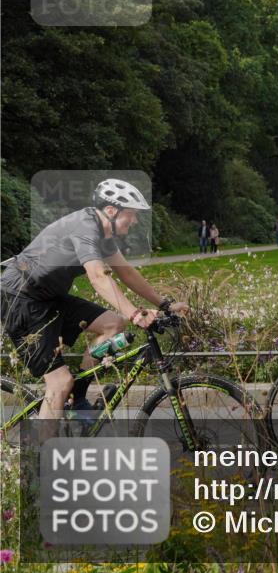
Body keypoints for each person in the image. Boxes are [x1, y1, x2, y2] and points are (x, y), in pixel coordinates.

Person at [0, 179, 189, 422]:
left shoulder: (103, 234)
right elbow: (98, 277)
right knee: (59, 383)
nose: (134, 220)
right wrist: (135, 314)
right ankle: (41, 445)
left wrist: (165, 304)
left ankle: (77, 399)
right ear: (111, 210)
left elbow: (127, 273)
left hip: (48, 297)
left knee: (113, 324)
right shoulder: (85, 226)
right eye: (130, 214)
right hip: (20, 298)